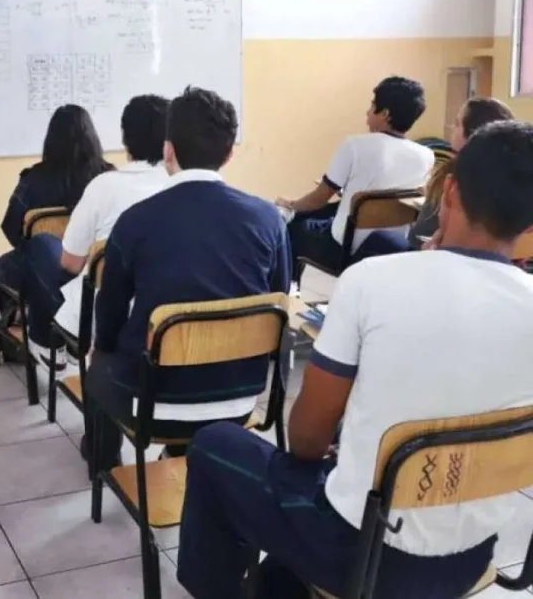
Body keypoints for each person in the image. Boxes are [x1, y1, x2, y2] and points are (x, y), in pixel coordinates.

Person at [177, 121, 533, 599]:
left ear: (448, 192)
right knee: (290, 549)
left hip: (358, 552)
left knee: (215, 444)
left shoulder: (372, 281)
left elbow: (306, 440)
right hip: (470, 559)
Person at [83, 87, 290, 470]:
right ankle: (186, 452)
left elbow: (109, 316)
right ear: (229, 154)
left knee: (98, 366)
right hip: (242, 399)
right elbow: (279, 299)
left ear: (168, 151)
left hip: (153, 405)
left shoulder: (135, 221)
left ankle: (103, 463)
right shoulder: (268, 219)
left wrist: (104, 349)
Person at [22, 95, 170, 361]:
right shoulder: (183, 188)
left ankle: (47, 343)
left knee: (41, 248)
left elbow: (70, 264)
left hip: (106, 321)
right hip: (171, 317)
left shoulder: (105, 186)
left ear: (125, 138)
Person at [277, 77, 434, 278]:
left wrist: (290, 204)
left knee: (291, 224)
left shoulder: (354, 145)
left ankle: (288, 287)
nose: (367, 112)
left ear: (385, 114)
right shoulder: (426, 156)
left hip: (343, 247)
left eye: (372, 105)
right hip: (388, 248)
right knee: (331, 211)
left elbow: (319, 198)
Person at [0, 104, 114, 346]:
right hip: (93, 268)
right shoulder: (107, 177)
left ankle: (18, 328)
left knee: (1, 267)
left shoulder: (33, 179)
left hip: (45, 268)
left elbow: (12, 230)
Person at [404, 98, 513, 250]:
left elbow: (418, 237)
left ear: (472, 134)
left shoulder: (452, 175)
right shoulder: (516, 177)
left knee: (380, 238)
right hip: (503, 257)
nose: (451, 128)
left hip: (436, 253)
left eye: (457, 124)